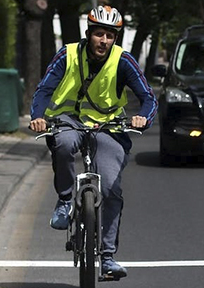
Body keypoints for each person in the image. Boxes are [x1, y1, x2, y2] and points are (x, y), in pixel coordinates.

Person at [29, 5, 158, 279]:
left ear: (115, 38)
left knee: (111, 188)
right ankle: (65, 200)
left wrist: (142, 118)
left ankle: (108, 257)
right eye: (99, 34)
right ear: (89, 34)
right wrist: (38, 117)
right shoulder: (68, 54)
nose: (104, 41)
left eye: (110, 36)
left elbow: (148, 98)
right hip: (67, 121)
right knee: (63, 144)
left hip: (108, 127)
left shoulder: (123, 61)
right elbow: (43, 91)